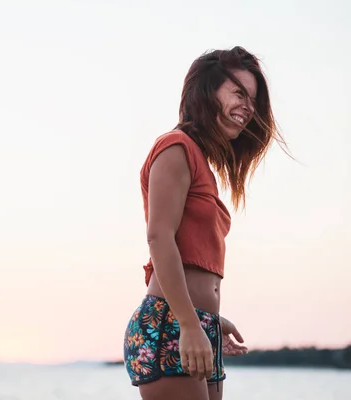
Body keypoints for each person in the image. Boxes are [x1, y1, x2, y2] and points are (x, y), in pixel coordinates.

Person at [123, 46, 288, 400]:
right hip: (171, 324)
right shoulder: (175, 147)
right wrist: (188, 322)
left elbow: (194, 256)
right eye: (239, 93)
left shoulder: (200, 163)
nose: (249, 107)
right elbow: (159, 238)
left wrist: (209, 319)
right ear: (207, 91)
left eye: (253, 100)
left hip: (196, 325)